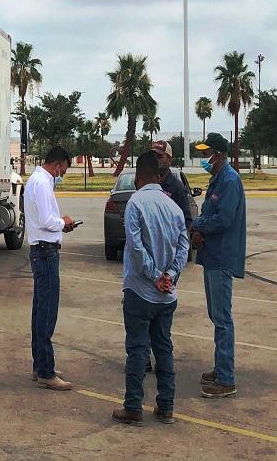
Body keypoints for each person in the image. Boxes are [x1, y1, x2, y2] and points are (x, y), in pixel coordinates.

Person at [112, 152, 189, 427]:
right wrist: (170, 275)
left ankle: (133, 406)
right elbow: (183, 246)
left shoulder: (136, 203)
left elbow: (134, 246)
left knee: (136, 350)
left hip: (141, 291)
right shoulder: (174, 208)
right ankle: (165, 406)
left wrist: (155, 275)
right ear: (158, 176)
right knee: (164, 348)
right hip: (166, 295)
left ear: (138, 177)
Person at [192, 133, 246, 399]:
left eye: (207, 154)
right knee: (216, 315)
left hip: (222, 257)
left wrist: (198, 227)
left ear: (219, 155)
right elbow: (209, 213)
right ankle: (220, 367)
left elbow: (223, 219)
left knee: (223, 319)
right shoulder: (218, 178)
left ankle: (226, 379)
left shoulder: (229, 180)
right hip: (211, 256)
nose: (204, 159)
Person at [24, 145, 76, 391]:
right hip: (45, 253)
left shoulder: (36, 181)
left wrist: (60, 225)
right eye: (64, 168)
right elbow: (46, 221)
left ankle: (40, 365)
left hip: (42, 251)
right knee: (46, 312)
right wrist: (63, 222)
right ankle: (45, 371)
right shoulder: (43, 183)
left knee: (40, 310)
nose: (63, 173)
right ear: (57, 163)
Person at [150, 141, 192, 230]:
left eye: (160, 157)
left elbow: (186, 221)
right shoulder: (147, 184)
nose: (155, 160)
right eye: (153, 157)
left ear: (169, 160)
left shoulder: (177, 188)